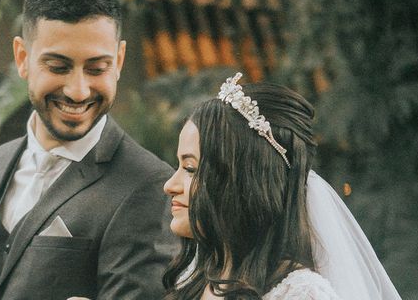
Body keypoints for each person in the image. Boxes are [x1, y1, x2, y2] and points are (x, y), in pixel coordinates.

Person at [0, 0, 177, 300]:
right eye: (58, 66)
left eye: (97, 68)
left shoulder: (148, 185)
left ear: (119, 61)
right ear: (23, 59)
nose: (78, 90)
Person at [163, 73, 401, 299]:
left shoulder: (302, 295)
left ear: (245, 182)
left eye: (191, 169)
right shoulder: (194, 282)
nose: (170, 185)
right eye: (179, 166)